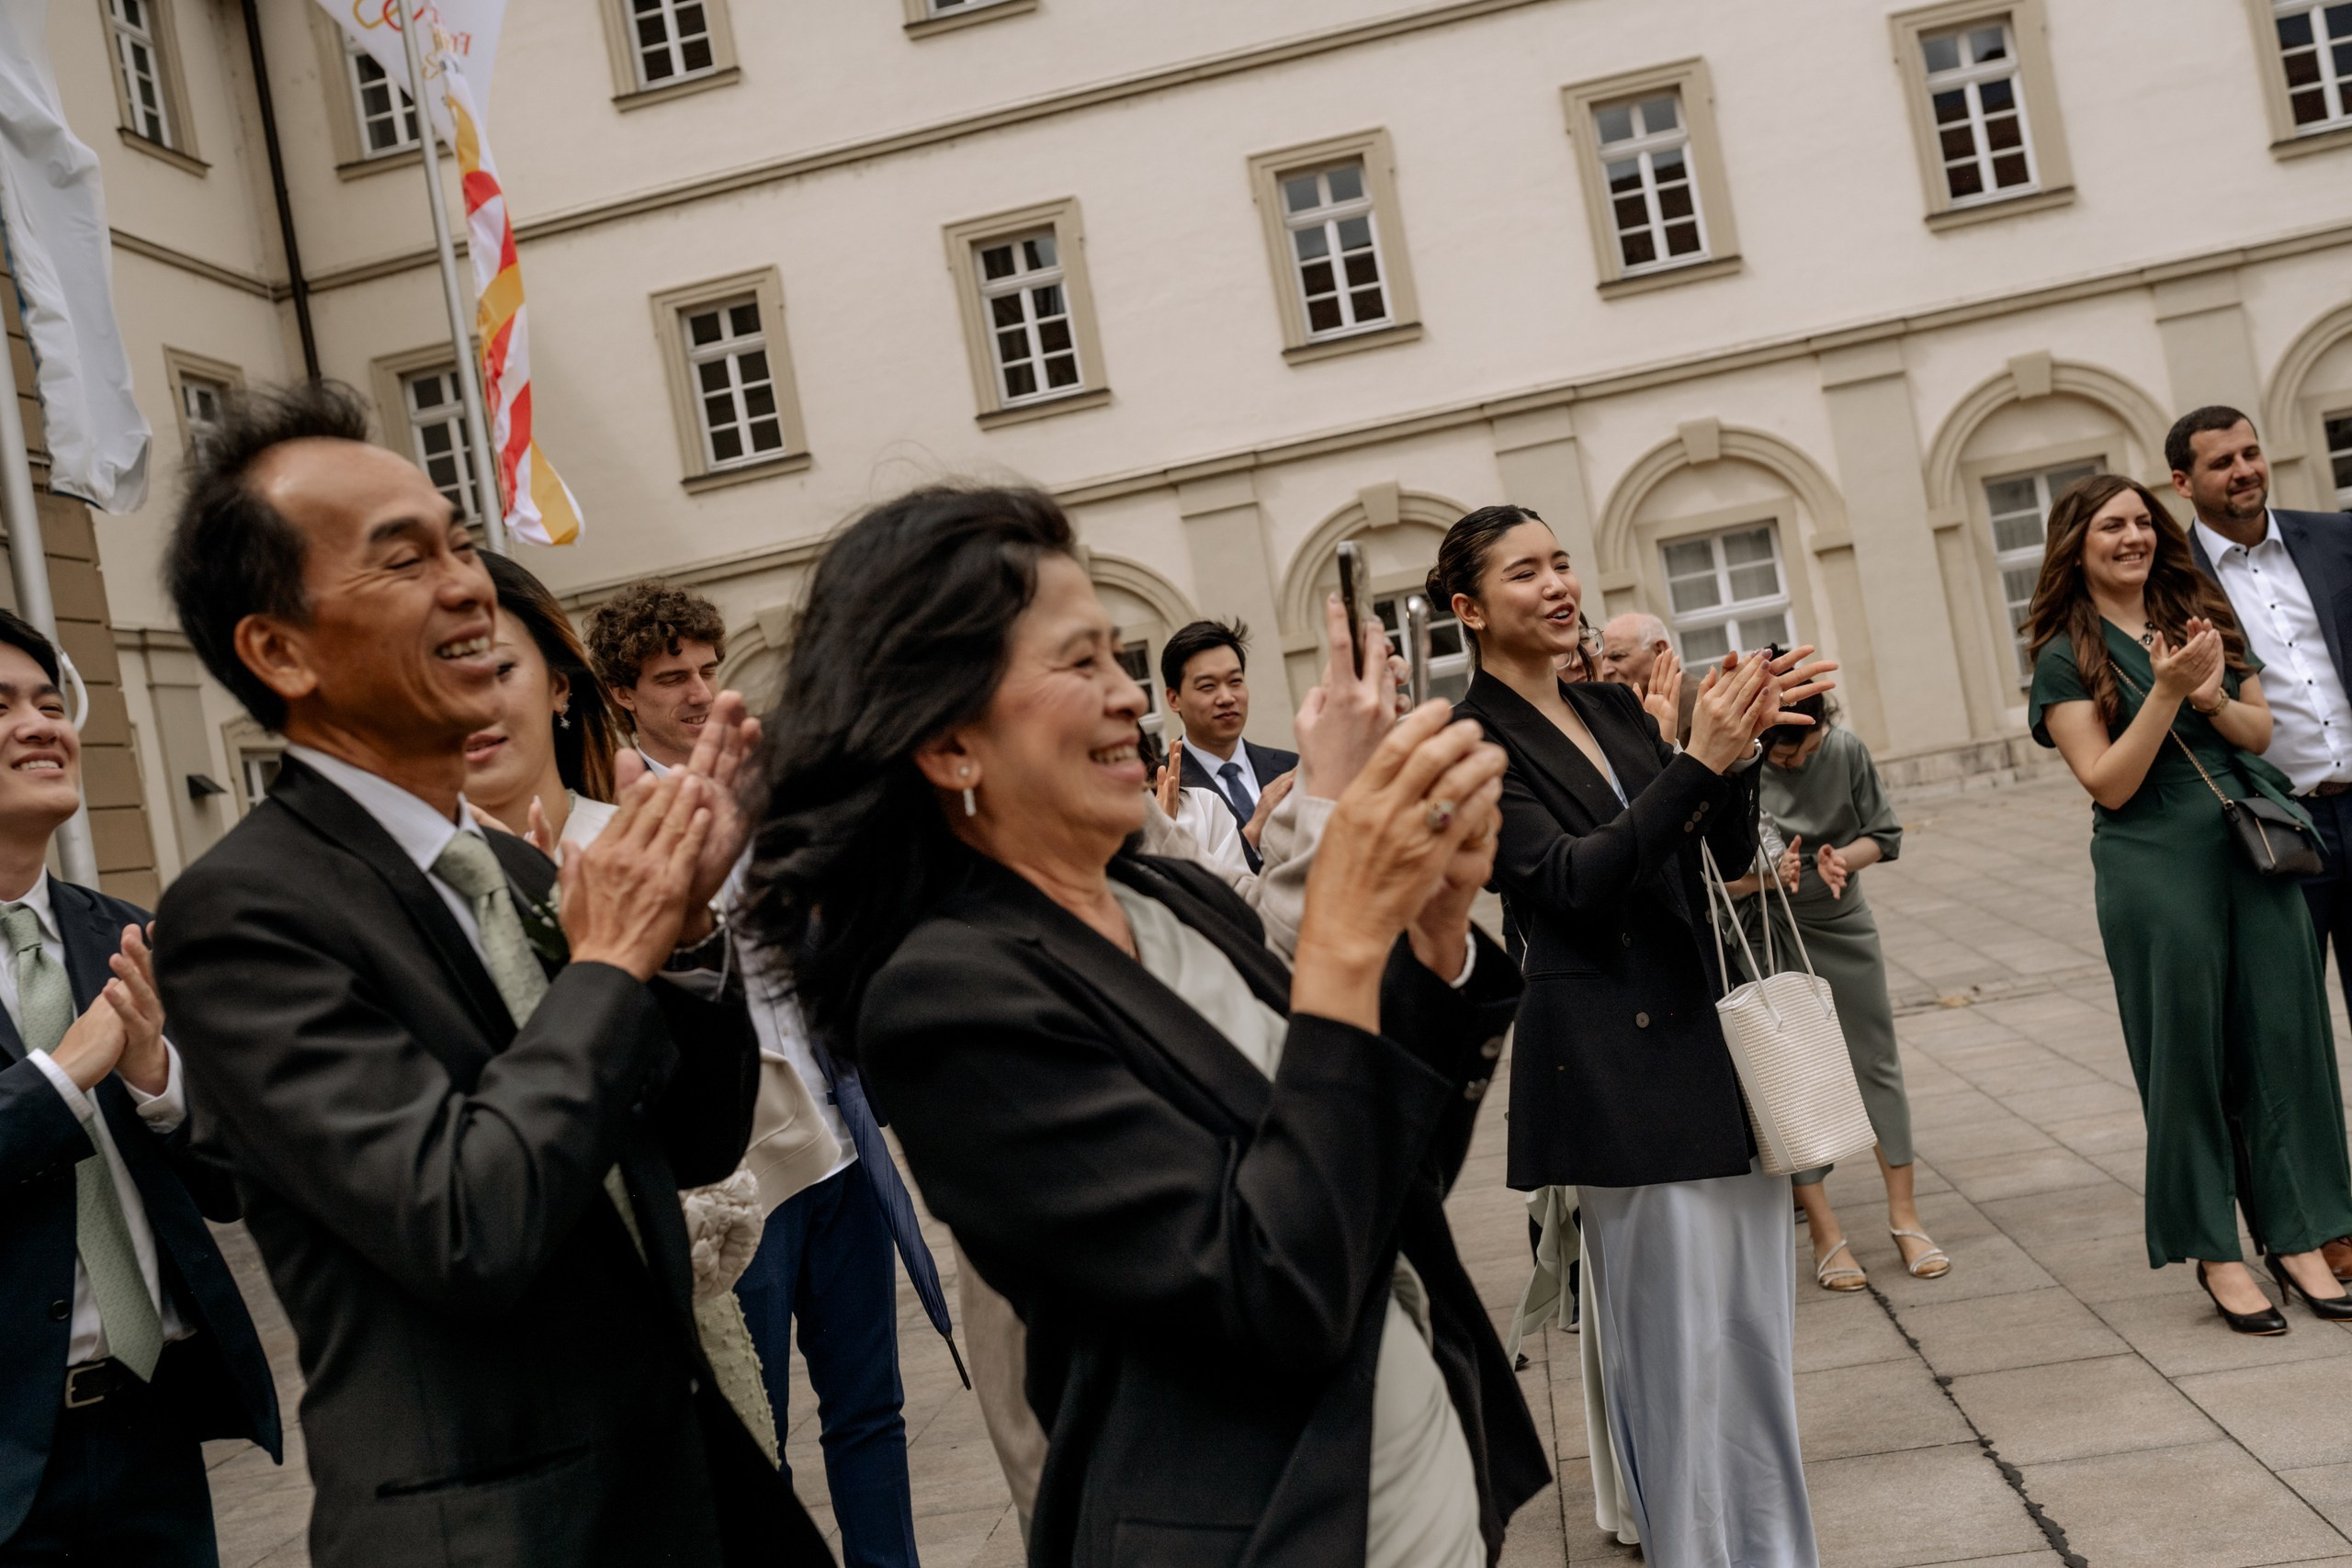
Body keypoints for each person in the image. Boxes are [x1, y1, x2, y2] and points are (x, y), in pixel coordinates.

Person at [745, 484, 1549, 1568]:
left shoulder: (1169, 896)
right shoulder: (946, 999)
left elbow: (1381, 1184)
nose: (1132, 696)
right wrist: (1343, 941)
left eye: (1118, 657)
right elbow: (1277, 1291)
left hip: (1424, 1495)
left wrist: (1436, 938)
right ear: (948, 743)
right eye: (1080, 663)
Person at [151, 382, 828, 1568]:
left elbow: (695, 1143)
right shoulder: (242, 915)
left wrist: (681, 938)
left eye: (461, 544)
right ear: (279, 649)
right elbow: (466, 1224)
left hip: (692, 1494)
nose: (468, 586)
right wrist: (610, 957)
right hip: (500, 1532)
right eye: (403, 559)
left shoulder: (514, 869)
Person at [1435, 501, 1835, 1567]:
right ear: (1469, 609)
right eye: (1525, 572)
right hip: (1612, 1065)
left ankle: (1775, 1553)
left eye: (1561, 563)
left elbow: (1718, 854)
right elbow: (1571, 883)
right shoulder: (1468, 743)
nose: (1557, 585)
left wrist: (1740, 750)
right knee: (1675, 1360)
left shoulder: (1610, 706)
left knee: (1752, 1346)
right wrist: (1695, 760)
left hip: (1709, 1046)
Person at [2027, 471, 2352, 1334]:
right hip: (2154, 862)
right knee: (2187, 1061)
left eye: (2142, 521)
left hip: (2252, 847)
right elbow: (2109, 781)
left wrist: (2208, 693)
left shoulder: (2199, 610)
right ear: (2076, 545)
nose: (2133, 536)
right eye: (2111, 526)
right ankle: (2216, 1251)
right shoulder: (2063, 652)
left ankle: (2302, 1234)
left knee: (2287, 1043)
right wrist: (2168, 690)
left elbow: (2259, 732)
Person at [0, 607, 281, 1565]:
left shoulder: (129, 934)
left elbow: (232, 1188)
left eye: (50, 704)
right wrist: (64, 1074)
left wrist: (159, 1083)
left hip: (155, 1436)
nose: (40, 725)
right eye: (0, 707)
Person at [2168, 405, 2352, 1280]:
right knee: (2285, 1042)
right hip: (2276, 828)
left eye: (2250, 453)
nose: (2244, 470)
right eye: (2221, 462)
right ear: (2184, 482)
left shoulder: (2336, 537)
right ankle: (2320, 1220)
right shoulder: (2175, 580)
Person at [1721, 690, 1942, 1292]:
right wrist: (1764, 877)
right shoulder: (1737, 766)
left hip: (1842, 919)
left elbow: (1883, 833)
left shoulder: (1844, 750)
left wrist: (1841, 857)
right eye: (1784, 758)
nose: (1797, 763)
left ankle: (1906, 1218)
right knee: (1791, 1077)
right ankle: (1825, 1232)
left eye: (1807, 751)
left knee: (1876, 1061)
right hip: (1769, 929)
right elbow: (1711, 875)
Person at [462, 550, 626, 854]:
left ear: (559, 686)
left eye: (499, 670)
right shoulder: (383, 875)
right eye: (430, 684)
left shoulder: (651, 852)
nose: (470, 707)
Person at [1162, 617, 1298, 868]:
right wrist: (1253, 830)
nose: (1226, 698)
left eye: (1235, 681)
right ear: (1174, 699)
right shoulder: (1162, 789)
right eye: (1208, 686)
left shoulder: (1290, 767)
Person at [587, 578, 726, 770]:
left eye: (708, 672)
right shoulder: (616, 789)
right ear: (624, 695)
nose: (704, 696)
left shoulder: (764, 774)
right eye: (674, 679)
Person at [1600, 611, 1699, 744]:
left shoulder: (1695, 703)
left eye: (1617, 656)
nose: (1605, 669)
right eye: (1602, 659)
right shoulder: (1623, 708)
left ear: (1659, 650)